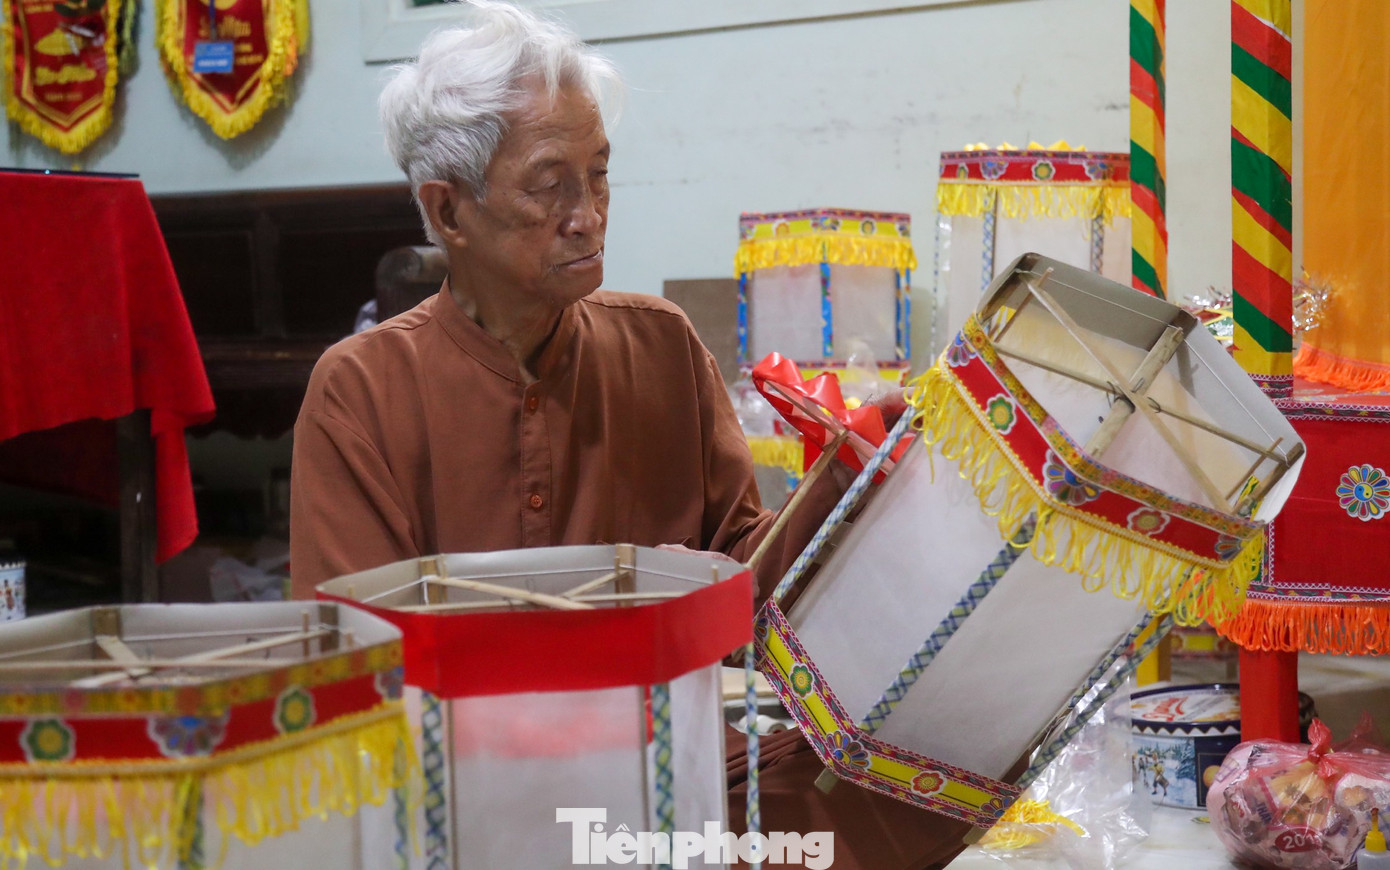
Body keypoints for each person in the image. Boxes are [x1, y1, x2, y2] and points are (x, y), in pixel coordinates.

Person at [289, 3, 968, 867]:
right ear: (449, 210)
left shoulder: (659, 343)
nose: (588, 214)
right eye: (550, 185)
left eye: (599, 175)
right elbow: (361, 670)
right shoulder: (363, 391)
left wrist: (852, 479)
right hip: (470, 793)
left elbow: (747, 594)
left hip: (671, 775)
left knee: (917, 787)